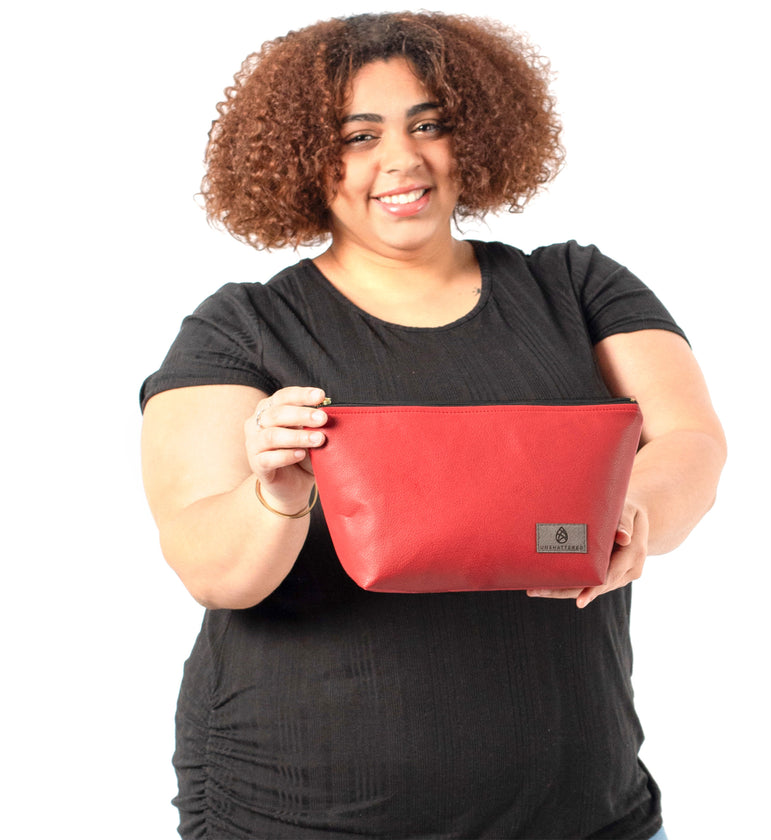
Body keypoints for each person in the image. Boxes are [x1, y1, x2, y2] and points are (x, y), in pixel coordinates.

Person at [140, 12, 726, 839]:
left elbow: (691, 443)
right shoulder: (242, 329)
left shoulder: (577, 287)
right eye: (358, 136)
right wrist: (275, 494)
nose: (401, 160)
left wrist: (628, 516)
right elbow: (211, 571)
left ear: (474, 136)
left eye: (429, 125)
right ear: (302, 158)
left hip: (584, 816)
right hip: (299, 816)